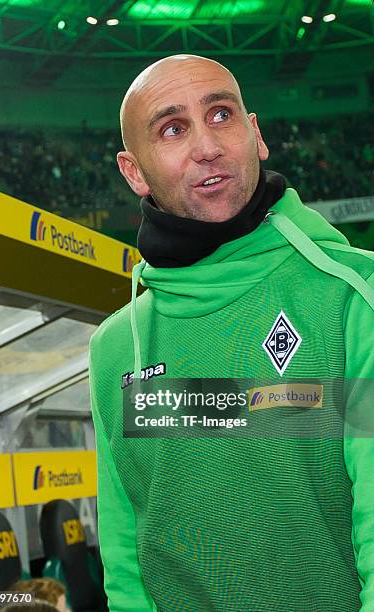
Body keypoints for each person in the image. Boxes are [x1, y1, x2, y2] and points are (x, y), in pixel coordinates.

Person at [89, 54, 374, 611]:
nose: (206, 146)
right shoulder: (115, 349)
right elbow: (125, 563)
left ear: (256, 134)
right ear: (134, 171)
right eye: (173, 129)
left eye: (221, 115)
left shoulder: (352, 294)